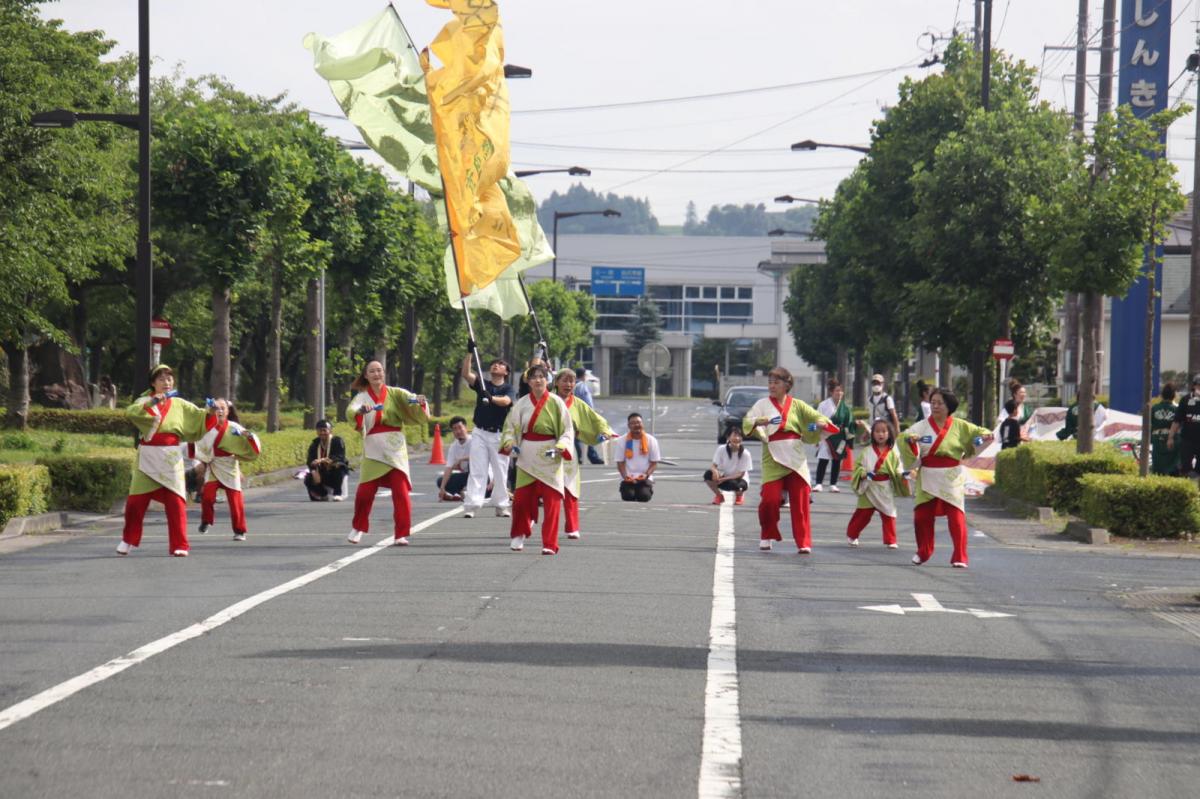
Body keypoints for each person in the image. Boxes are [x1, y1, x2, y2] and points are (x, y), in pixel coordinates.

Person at [743, 366, 839, 553]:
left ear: (787, 385)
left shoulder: (798, 405)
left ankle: (803, 542)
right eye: (770, 382)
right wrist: (757, 422)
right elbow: (747, 421)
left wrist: (821, 423)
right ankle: (767, 534)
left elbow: (818, 417)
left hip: (795, 456)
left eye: (776, 382)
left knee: (801, 501)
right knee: (770, 500)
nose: (772, 386)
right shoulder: (762, 404)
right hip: (772, 455)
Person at [117, 364, 211, 557]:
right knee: (135, 502)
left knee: (176, 502)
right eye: (161, 379)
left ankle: (180, 544)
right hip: (148, 457)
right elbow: (131, 412)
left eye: (169, 379)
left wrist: (211, 410)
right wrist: (152, 403)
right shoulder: (144, 400)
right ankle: (128, 540)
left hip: (170, 457)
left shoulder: (179, 403)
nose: (166, 382)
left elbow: (198, 416)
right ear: (153, 383)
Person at [898, 387, 993, 568]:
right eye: (933, 403)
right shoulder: (922, 426)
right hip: (928, 475)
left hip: (951, 476)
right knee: (921, 517)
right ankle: (923, 551)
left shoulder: (960, 425)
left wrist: (983, 437)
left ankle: (960, 556)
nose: (935, 406)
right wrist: (910, 440)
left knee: (956, 517)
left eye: (940, 403)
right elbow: (904, 436)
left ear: (949, 405)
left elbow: (983, 433)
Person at [345, 360, 428, 546]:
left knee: (401, 492)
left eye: (379, 370)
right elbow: (351, 411)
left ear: (384, 373)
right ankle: (358, 528)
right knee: (365, 492)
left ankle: (401, 533)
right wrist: (360, 411)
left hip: (395, 447)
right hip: (373, 446)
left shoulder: (395, 393)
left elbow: (411, 399)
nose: (377, 374)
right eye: (372, 371)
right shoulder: (362, 397)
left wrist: (419, 400)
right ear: (366, 375)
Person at [500, 363, 574, 554]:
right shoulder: (521, 404)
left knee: (552, 503)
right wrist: (509, 442)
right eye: (534, 377)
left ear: (547, 379)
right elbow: (510, 427)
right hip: (527, 455)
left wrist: (561, 446)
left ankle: (549, 543)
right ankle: (518, 534)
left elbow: (567, 429)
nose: (538, 380)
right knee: (521, 500)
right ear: (528, 381)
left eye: (541, 376)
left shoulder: (557, 402)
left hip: (551, 454)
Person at [554, 368, 614, 539]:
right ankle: (530, 518)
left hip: (568, 450)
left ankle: (572, 526)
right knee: (538, 487)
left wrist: (604, 431)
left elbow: (596, 419)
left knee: (570, 487)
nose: (568, 384)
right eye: (564, 380)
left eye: (572, 381)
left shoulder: (578, 404)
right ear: (556, 382)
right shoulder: (547, 400)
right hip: (546, 447)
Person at [195, 398, 262, 541]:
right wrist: (201, 461)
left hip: (230, 467)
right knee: (207, 497)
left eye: (222, 408)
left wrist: (249, 436)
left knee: (235, 501)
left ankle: (240, 530)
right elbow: (196, 445)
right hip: (213, 466)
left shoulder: (234, 427)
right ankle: (206, 520)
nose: (219, 411)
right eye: (216, 408)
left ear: (228, 411)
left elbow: (250, 441)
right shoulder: (205, 428)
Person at [460, 353, 514, 519]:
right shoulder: (483, 384)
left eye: (500, 364)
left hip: (499, 434)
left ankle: (501, 505)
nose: (495, 366)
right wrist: (469, 353)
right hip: (480, 433)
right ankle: (472, 505)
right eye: (493, 364)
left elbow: (506, 401)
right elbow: (466, 374)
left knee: (500, 471)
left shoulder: (508, 388)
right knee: (477, 469)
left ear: (506, 372)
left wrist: (491, 398)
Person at [846, 419, 909, 549]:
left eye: (884, 431)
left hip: (884, 487)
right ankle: (852, 535)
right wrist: (863, 473)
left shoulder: (893, 453)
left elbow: (898, 468)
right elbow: (858, 466)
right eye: (877, 431)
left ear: (889, 433)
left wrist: (903, 474)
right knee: (863, 514)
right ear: (872, 434)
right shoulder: (866, 451)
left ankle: (891, 540)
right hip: (869, 486)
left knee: (889, 513)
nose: (881, 434)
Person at [814, 378, 853, 493]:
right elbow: (817, 420)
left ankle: (833, 484)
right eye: (837, 391)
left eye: (841, 391)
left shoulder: (845, 408)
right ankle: (818, 483)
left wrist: (850, 435)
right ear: (831, 392)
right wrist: (816, 437)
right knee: (823, 459)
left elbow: (848, 423)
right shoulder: (823, 405)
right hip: (826, 435)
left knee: (837, 460)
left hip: (839, 436)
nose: (839, 393)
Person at [615, 412, 662, 502]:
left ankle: (646, 489)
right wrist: (625, 477)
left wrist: (646, 475)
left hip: (644, 477)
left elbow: (654, 463)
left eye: (639, 422)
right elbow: (620, 463)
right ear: (629, 425)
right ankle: (627, 489)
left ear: (642, 424)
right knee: (628, 497)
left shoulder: (651, 440)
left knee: (643, 497)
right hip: (628, 478)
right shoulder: (622, 440)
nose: (636, 425)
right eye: (633, 423)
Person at [705, 424, 752, 505]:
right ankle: (719, 496)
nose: (737, 438)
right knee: (708, 474)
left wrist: (723, 479)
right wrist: (715, 471)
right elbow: (714, 465)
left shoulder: (745, 453)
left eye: (739, 436)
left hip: (739, 480)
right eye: (734, 435)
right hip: (725, 477)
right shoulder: (721, 449)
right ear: (728, 438)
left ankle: (739, 495)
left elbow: (741, 474)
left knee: (737, 485)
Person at [305, 419, 350, 501]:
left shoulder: (337, 441)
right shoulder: (315, 444)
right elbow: (310, 460)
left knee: (339, 466)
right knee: (308, 478)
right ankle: (323, 494)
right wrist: (314, 471)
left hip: (335, 473)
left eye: (324, 430)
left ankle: (337, 493)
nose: (322, 433)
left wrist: (322, 460)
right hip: (322, 472)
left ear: (330, 431)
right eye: (319, 430)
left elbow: (339, 457)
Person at [436, 416, 474, 501]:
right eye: (455, 429)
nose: (458, 431)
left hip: (481, 476)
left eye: (460, 428)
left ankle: (466, 491)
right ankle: (461, 492)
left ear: (465, 427)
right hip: (466, 476)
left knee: (472, 466)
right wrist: (442, 488)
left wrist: (462, 459)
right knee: (440, 481)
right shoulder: (453, 446)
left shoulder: (474, 440)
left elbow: (478, 457)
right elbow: (449, 467)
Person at [1168, 375, 1200, 475]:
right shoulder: (1186, 400)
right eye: (1199, 385)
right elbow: (1177, 420)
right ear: (1194, 386)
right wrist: (1170, 437)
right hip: (1187, 440)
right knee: (1186, 468)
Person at [573, 367, 605, 465]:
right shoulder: (580, 386)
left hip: (581, 413)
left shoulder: (577, 385)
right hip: (582, 414)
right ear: (584, 375)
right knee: (580, 436)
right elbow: (585, 401)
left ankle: (590, 457)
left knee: (585, 435)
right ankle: (582, 457)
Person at [1151, 384, 1179, 476]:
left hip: (1156, 439)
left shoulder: (1154, 408)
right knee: (1171, 466)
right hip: (1172, 440)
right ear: (1174, 395)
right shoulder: (1176, 409)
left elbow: (1150, 425)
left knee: (1158, 467)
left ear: (1162, 395)